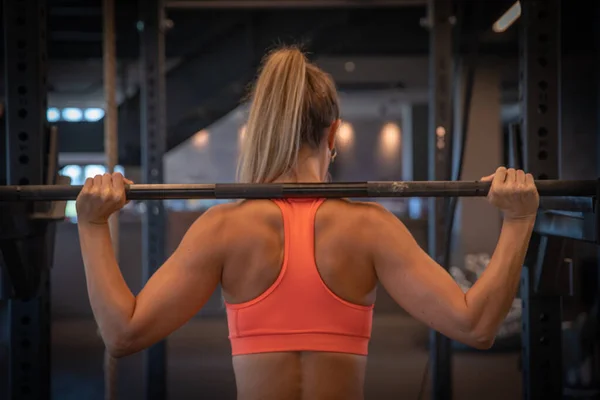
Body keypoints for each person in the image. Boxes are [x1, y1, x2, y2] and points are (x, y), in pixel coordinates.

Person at [76, 47, 539, 400]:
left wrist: (92, 225)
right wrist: (518, 219)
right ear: (332, 133)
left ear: (261, 129)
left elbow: (122, 334)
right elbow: (477, 327)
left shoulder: (222, 229)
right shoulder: (370, 228)